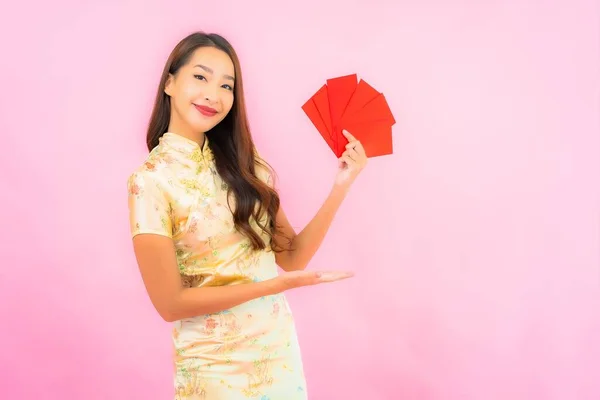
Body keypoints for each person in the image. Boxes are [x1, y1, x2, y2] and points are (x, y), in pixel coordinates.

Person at [127, 31, 368, 400]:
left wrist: (342, 185)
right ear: (170, 83)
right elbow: (170, 304)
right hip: (213, 369)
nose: (214, 94)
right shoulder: (150, 182)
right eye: (200, 77)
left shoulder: (246, 166)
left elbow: (292, 256)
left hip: (277, 357)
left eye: (227, 85)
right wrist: (276, 286)